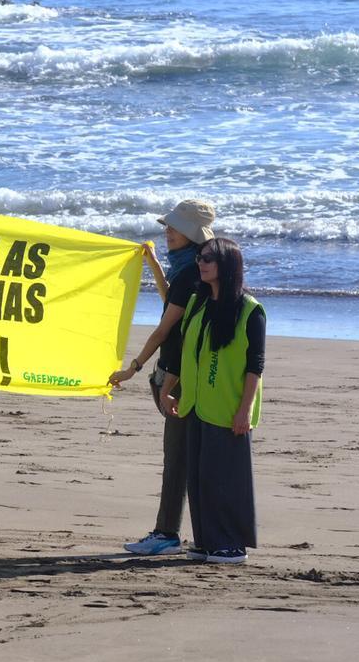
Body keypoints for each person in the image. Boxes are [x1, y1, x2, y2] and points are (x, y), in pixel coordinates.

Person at [109, 199, 216, 556]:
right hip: (189, 375)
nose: (167, 232)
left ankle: (167, 533)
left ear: (190, 234)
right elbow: (174, 302)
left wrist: (132, 368)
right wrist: (155, 266)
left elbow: (164, 329)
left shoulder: (190, 272)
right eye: (168, 226)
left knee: (178, 460)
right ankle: (198, 535)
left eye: (174, 227)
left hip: (177, 378)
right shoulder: (200, 268)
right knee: (189, 458)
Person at [159, 237, 265, 564]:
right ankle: (207, 541)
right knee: (200, 478)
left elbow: (254, 365)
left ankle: (231, 545)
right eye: (200, 258)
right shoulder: (198, 305)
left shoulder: (250, 310)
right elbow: (181, 354)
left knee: (226, 479)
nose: (201, 263)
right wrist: (167, 388)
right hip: (195, 405)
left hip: (228, 409)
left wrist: (244, 410)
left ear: (227, 265)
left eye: (208, 258)